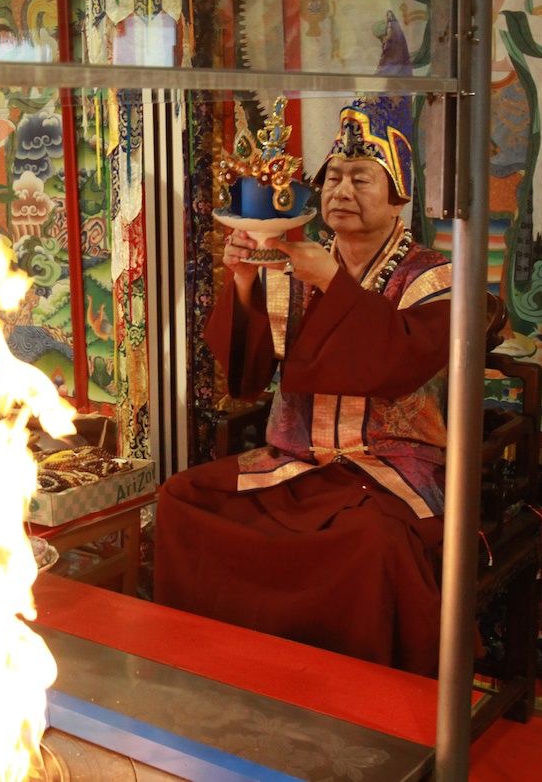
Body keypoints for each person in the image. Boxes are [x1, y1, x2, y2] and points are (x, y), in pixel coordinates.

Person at [154, 100, 453, 677]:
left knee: (370, 544)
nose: (342, 190)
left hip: (387, 467)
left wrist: (334, 284)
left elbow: (394, 366)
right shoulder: (295, 265)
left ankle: (349, 690)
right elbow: (246, 377)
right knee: (182, 498)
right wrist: (244, 280)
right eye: (333, 177)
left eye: (361, 178)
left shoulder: (430, 277)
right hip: (295, 462)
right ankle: (221, 668)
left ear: (399, 196)